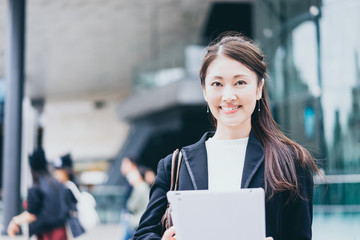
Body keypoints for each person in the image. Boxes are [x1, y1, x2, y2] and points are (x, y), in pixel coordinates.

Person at [133, 33, 319, 240]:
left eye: (240, 82)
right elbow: (143, 234)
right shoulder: (175, 165)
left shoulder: (290, 162)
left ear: (259, 89)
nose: (228, 95)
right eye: (217, 84)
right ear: (204, 90)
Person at [7, 147, 69, 239]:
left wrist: (14, 221)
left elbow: (32, 214)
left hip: (47, 234)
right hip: (61, 231)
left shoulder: (36, 187)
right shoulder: (57, 184)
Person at [120, 156, 150, 240]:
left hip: (135, 219)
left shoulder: (138, 187)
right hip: (143, 218)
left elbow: (131, 205)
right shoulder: (145, 186)